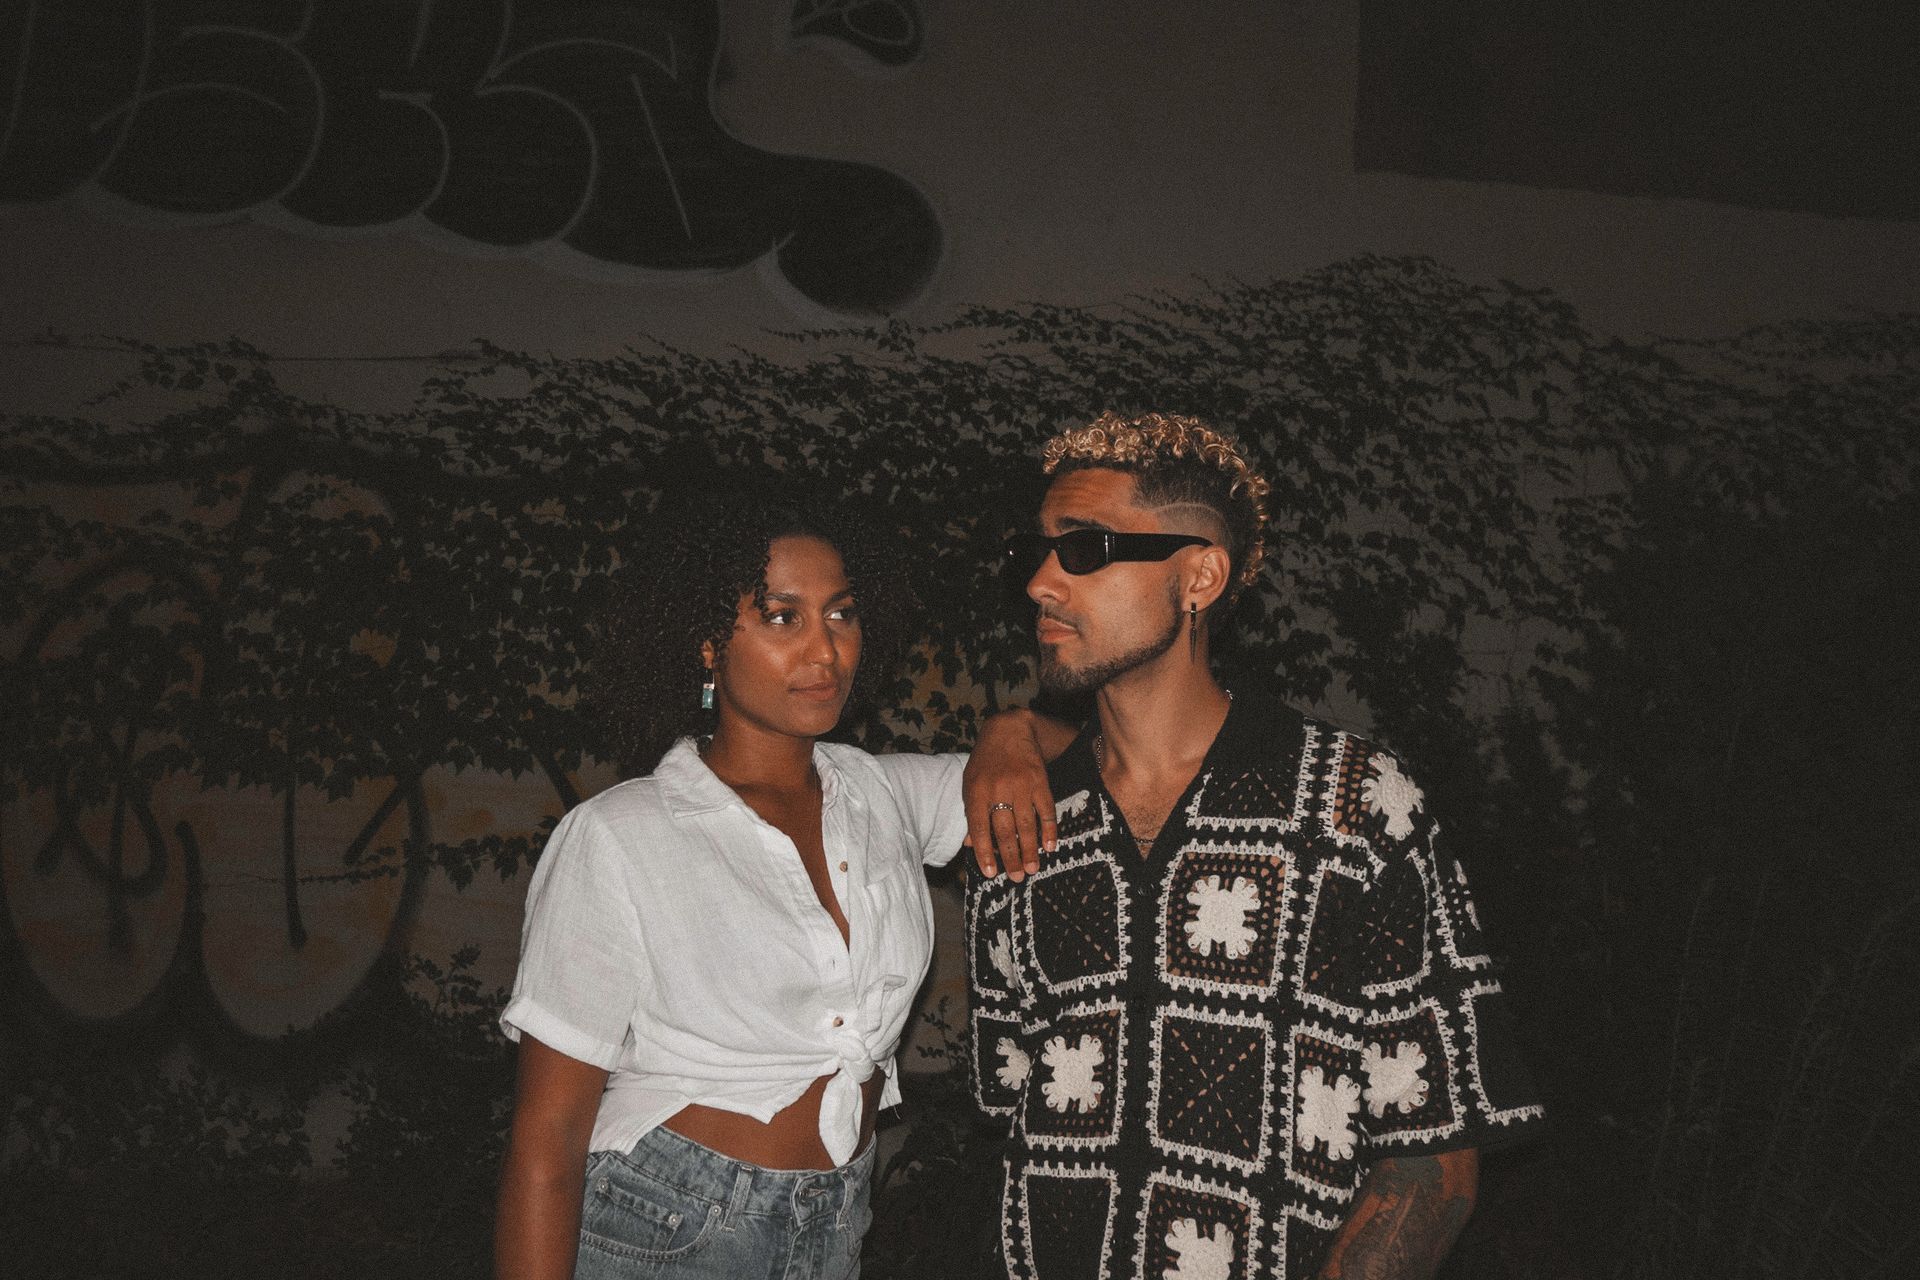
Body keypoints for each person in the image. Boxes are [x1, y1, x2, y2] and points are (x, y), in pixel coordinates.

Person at [966, 413, 1545, 1279]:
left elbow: (1433, 1154)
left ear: (1198, 576)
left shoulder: (1354, 804)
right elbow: (1010, 1107)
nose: (1042, 583)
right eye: (1033, 555)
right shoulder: (1024, 819)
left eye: (1084, 548)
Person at [493, 492, 1065, 1280]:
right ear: (706, 645)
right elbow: (546, 1135)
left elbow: (1092, 757)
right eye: (781, 617)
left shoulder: (881, 797)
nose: (825, 653)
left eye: (841, 614)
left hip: (839, 1218)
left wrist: (1013, 728)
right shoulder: (621, 835)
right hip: (667, 1226)